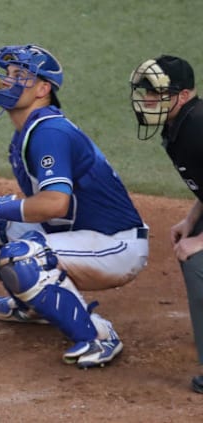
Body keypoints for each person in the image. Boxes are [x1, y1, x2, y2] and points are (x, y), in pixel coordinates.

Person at [0, 44, 149, 368]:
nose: (6, 81)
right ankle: (35, 305)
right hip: (80, 233)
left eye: (20, 76)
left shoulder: (49, 132)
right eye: (8, 74)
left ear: (43, 89)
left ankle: (99, 337)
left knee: (24, 257)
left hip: (114, 244)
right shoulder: (30, 131)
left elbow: (55, 204)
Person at [129, 54, 203, 393]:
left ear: (183, 96)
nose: (148, 100)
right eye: (146, 92)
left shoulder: (197, 129)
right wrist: (191, 219)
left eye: (157, 94)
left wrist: (200, 242)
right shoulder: (178, 124)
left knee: (197, 262)